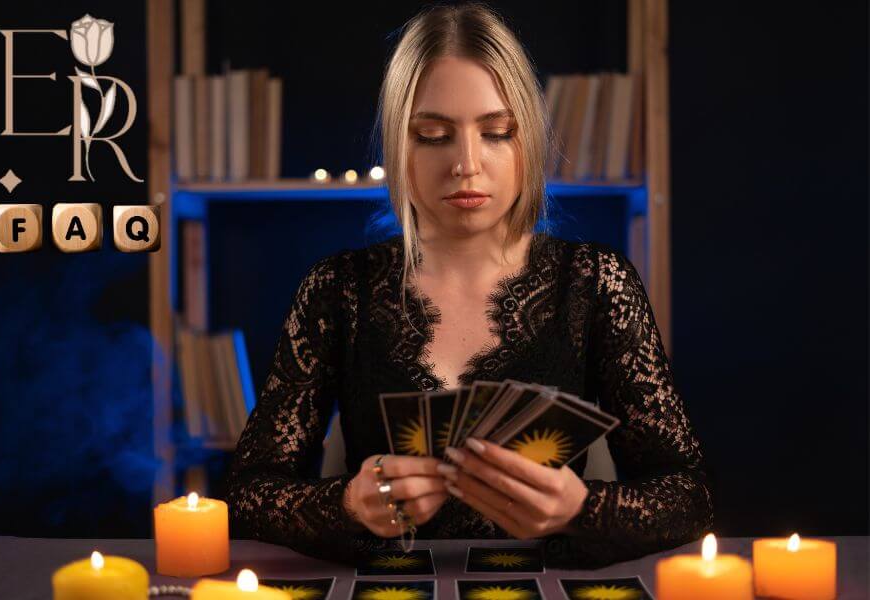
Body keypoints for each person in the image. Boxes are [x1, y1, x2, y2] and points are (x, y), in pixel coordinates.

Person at [226, 2, 713, 567]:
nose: (467, 163)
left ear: (526, 140)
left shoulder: (596, 283)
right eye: (433, 135)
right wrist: (348, 505)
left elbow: (689, 495)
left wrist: (582, 509)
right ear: (398, 145)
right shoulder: (338, 289)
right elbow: (246, 494)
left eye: (497, 132)